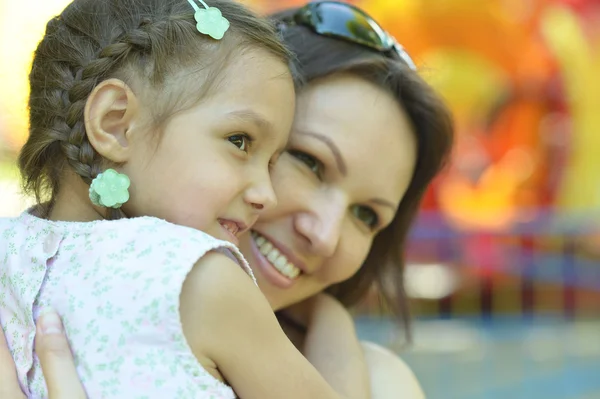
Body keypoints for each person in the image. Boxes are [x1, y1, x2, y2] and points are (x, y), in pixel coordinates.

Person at [0, 1, 454, 398]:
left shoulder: (15, 254)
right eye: (307, 161)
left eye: (367, 215)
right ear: (116, 122)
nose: (325, 235)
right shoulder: (204, 280)